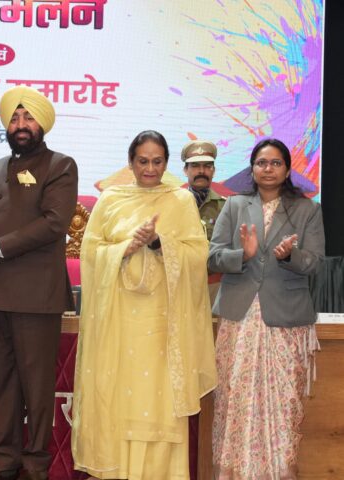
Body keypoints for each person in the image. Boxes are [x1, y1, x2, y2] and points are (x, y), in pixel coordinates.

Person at [72, 130, 217, 480]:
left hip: (163, 322)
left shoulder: (179, 201)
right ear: (130, 162)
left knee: (157, 401)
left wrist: (157, 242)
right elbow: (90, 253)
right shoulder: (111, 199)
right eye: (142, 161)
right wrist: (126, 247)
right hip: (119, 319)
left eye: (157, 161)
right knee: (119, 398)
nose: (150, 169)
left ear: (167, 164)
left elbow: (197, 255)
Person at [0, 86, 78, 480]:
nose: (21, 124)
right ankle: (3, 462)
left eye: (28, 117)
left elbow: (54, 224)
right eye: (14, 118)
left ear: (42, 123)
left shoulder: (60, 165)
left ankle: (35, 466)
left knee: (36, 386)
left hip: (35, 296)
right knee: (2, 384)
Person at [209, 138, 324, 479]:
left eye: (276, 163)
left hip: (285, 319)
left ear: (287, 170)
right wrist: (242, 255)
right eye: (261, 163)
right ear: (252, 169)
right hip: (239, 318)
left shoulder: (307, 209)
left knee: (281, 404)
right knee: (238, 400)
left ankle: (280, 472)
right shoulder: (234, 205)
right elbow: (212, 256)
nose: (268, 169)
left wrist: (290, 256)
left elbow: (315, 263)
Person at [181, 140, 227, 310]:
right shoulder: (174, 205)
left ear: (213, 170)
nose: (201, 171)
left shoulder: (225, 207)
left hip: (214, 286)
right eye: (195, 166)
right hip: (180, 284)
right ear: (185, 170)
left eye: (207, 166)